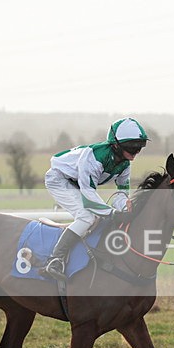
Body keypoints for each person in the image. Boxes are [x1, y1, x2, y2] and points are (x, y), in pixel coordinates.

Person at [42, 117, 149, 281]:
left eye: (139, 147)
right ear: (116, 145)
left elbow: (121, 194)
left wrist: (124, 208)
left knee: (101, 216)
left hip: (77, 183)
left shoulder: (125, 164)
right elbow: (89, 197)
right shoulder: (94, 158)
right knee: (87, 217)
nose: (135, 152)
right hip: (59, 180)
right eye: (131, 147)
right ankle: (55, 259)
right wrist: (113, 213)